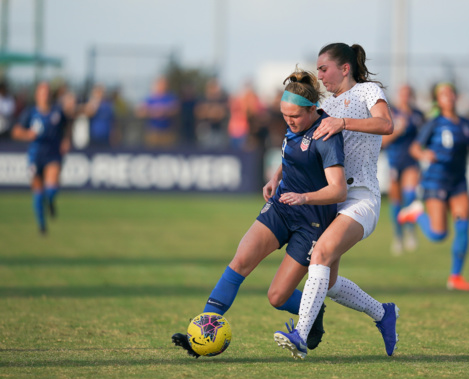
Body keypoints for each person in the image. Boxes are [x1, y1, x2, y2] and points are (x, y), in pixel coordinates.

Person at [171, 68, 347, 357]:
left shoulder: (327, 135)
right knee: (240, 260)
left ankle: (314, 309)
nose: (289, 121)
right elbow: (293, 154)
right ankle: (202, 334)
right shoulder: (295, 125)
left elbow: (338, 190)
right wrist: (276, 177)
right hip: (281, 207)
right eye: (284, 115)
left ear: (313, 110)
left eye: (294, 116)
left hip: (313, 221)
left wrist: (304, 197)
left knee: (277, 297)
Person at [274, 43, 398, 360]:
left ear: (345, 68)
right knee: (326, 281)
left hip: (361, 196)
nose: (319, 75)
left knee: (322, 253)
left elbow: (386, 124)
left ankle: (300, 335)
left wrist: (341, 123)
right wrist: (277, 175)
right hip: (332, 200)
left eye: (324, 68)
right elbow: (303, 143)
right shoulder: (326, 104)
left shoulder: (368, 91)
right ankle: (383, 314)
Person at [398, 82, 469, 291]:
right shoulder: (434, 123)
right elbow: (415, 148)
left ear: (455, 97)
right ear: (437, 100)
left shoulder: (467, 124)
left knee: (463, 225)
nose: (448, 96)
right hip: (435, 181)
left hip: (458, 182)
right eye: (443, 94)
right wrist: (424, 154)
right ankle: (415, 214)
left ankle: (455, 277)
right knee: (438, 235)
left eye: (450, 92)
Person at [11, 81, 73, 235]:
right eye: (42, 92)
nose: (44, 96)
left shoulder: (57, 113)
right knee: (38, 191)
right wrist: (27, 134)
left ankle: (50, 202)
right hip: (35, 155)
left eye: (47, 93)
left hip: (53, 154)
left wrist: (66, 140)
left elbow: (67, 128)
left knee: (51, 187)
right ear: (37, 95)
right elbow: (16, 131)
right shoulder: (30, 113)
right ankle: (42, 226)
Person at [381, 84, 425, 255]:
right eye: (403, 94)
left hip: (411, 162)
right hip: (394, 161)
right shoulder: (391, 114)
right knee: (396, 201)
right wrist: (398, 130)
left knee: (410, 196)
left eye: (408, 93)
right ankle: (398, 236)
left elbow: (424, 137)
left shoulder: (418, 115)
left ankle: (411, 232)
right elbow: (383, 142)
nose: (405, 97)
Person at [136, 76, 179, 149]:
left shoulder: (170, 97)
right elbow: (139, 112)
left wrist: (164, 111)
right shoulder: (149, 98)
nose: (162, 86)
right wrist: (152, 112)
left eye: (164, 84)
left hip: (167, 131)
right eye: (160, 84)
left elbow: (176, 110)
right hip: (152, 132)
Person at [82, 84, 116, 149]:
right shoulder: (90, 103)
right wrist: (95, 101)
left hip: (106, 138)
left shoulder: (108, 105)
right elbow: (88, 113)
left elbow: (112, 122)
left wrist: (113, 136)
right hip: (93, 137)